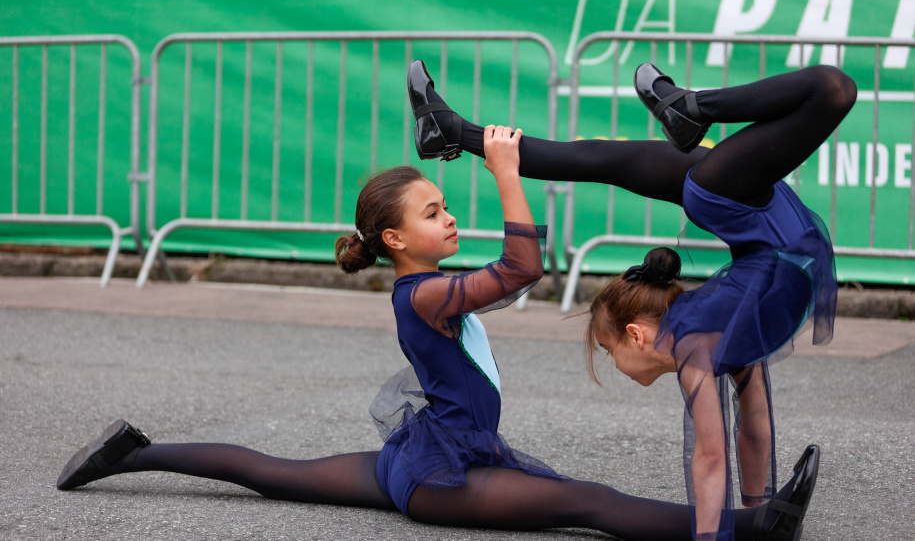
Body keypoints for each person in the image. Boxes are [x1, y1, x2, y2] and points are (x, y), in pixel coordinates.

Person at [58, 123, 816, 541]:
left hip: (412, 457)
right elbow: (520, 267)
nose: (449, 215)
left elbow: (505, 270)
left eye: (447, 204)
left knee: (275, 470)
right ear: (392, 239)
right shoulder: (424, 296)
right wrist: (506, 167)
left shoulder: (427, 290)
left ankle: (135, 449)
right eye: (432, 212)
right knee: (585, 502)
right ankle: (751, 530)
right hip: (436, 477)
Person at [408, 59, 856, 540]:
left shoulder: (704, 343)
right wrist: (757, 513)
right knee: (603, 156)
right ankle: (681, 108)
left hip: (753, 212)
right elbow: (752, 427)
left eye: (608, 349)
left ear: (636, 334)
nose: (612, 365)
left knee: (832, 88)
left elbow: (716, 452)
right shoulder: (717, 337)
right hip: (753, 211)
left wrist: (731, 524)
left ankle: (687, 107)